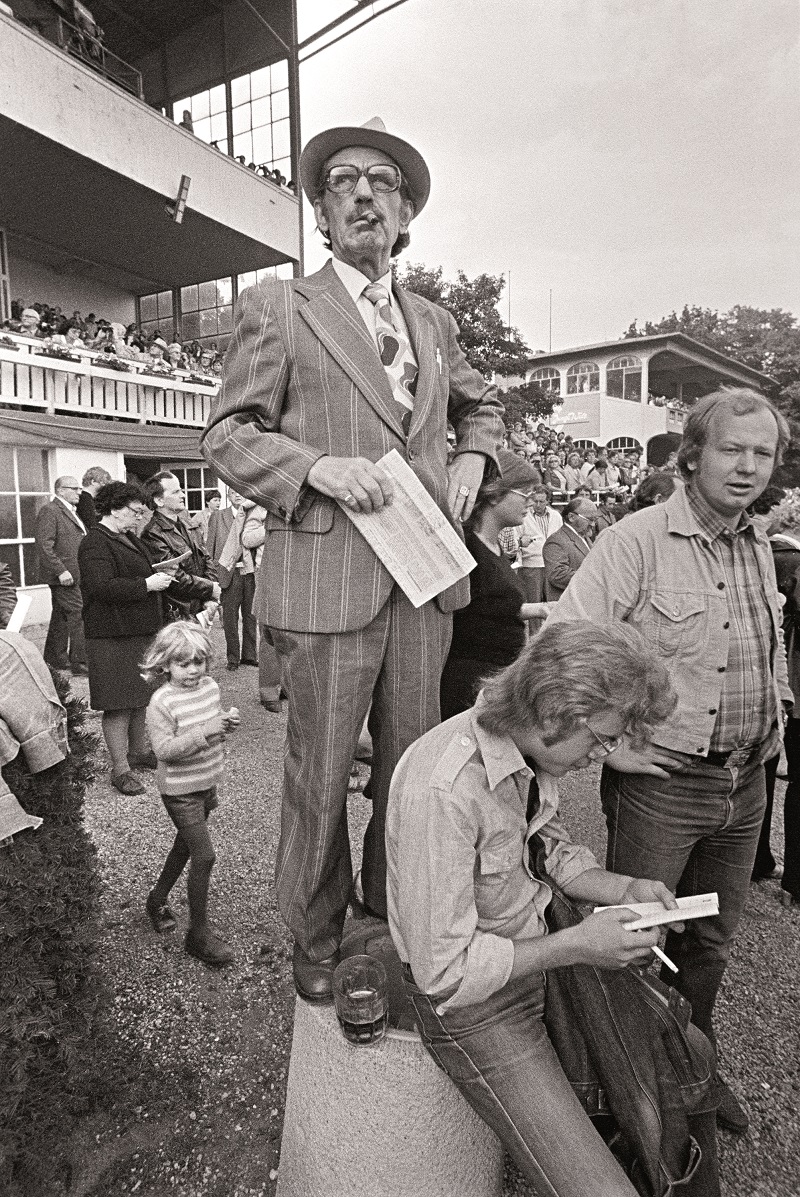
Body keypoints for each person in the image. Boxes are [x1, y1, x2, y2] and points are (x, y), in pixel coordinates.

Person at [201, 115, 504, 1002]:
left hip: (425, 582)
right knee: (321, 772)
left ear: (405, 212)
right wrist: (315, 468)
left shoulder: (437, 321)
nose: (364, 192)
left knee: (414, 767)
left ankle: (393, 907)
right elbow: (226, 435)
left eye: (382, 181)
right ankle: (318, 928)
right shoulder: (278, 306)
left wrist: (478, 455)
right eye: (342, 181)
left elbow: (483, 409)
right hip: (328, 580)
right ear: (323, 214)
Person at [387, 621, 720, 1197]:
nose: (602, 756)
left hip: (543, 947)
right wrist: (579, 946)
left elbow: (551, 852)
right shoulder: (444, 789)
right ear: (552, 714)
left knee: (690, 1055)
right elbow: (442, 976)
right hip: (479, 1005)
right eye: (601, 739)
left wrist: (624, 888)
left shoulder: (525, 748)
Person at [547, 387, 792, 1134]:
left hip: (747, 781)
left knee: (711, 942)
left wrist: (776, 710)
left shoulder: (755, 543)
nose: (748, 467)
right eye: (732, 449)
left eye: (763, 453)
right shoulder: (637, 540)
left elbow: (758, 646)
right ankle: (638, 1091)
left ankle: (693, 1066)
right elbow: (566, 642)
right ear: (692, 454)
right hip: (666, 787)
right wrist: (616, 742)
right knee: (640, 942)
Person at [141, 622, 240, 967]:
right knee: (205, 856)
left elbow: (209, 730)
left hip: (206, 782)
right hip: (180, 791)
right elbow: (164, 750)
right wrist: (207, 731)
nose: (193, 670)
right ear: (165, 664)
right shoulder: (161, 702)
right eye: (184, 664)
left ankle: (156, 900)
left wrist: (223, 725)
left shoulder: (210, 688)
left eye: (199, 662)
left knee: (183, 847)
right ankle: (197, 935)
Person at [78, 482, 174, 795]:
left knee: (140, 698)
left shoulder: (127, 537)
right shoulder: (94, 542)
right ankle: (120, 769)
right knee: (118, 705)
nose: (138, 519)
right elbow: (99, 588)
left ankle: (138, 752)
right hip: (112, 635)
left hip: (137, 631)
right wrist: (147, 584)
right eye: (135, 512)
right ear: (115, 508)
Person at [440, 453, 552, 719]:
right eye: (524, 493)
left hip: (495, 677)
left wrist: (541, 609)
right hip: (468, 684)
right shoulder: (465, 546)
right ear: (493, 494)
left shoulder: (495, 546)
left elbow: (490, 604)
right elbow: (464, 613)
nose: (531, 502)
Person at [141, 472, 221, 624]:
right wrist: (210, 588)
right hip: (177, 613)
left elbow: (206, 558)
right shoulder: (152, 533)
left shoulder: (188, 524)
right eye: (175, 492)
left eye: (181, 490)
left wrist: (209, 598)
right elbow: (174, 577)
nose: (183, 495)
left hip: (199, 608)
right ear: (159, 500)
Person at [35, 476, 88, 676]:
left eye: (80, 489)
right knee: (78, 614)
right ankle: (81, 664)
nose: (79, 492)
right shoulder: (50, 511)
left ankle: (54, 659)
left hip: (72, 574)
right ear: (60, 490)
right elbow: (44, 545)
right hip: (64, 576)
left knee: (61, 616)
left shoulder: (70, 512)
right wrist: (61, 571)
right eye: (74, 489)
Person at [205, 490, 258, 670]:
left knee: (251, 616)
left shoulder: (253, 514)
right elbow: (209, 549)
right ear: (229, 497)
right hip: (228, 574)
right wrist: (213, 577)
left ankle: (250, 656)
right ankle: (233, 658)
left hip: (250, 572)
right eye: (233, 493)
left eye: (240, 492)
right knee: (230, 618)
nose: (238, 495)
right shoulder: (218, 516)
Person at [542, 498, 598, 601]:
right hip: (569, 606)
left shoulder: (585, 537)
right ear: (572, 517)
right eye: (590, 519)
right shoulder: (556, 541)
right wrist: (595, 576)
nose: (593, 524)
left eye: (595, 520)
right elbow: (557, 575)